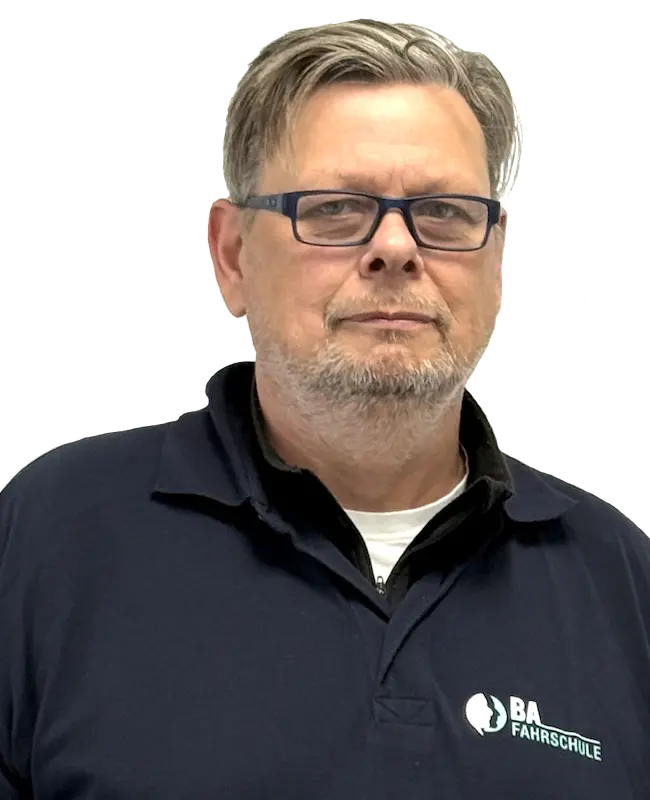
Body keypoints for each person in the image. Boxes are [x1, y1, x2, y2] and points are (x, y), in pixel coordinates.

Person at [1, 18, 648, 799]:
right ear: (232, 254)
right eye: (336, 207)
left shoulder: (621, 580)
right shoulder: (49, 537)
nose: (396, 248)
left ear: (498, 255)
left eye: (445, 212)